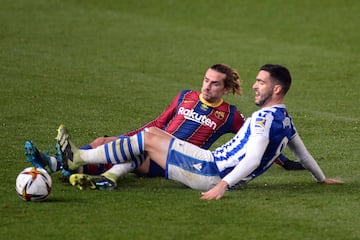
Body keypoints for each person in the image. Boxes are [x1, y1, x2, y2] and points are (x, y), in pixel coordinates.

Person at [58, 64, 342, 200]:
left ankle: (79, 158)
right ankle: (94, 167)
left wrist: (222, 185)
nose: (255, 86)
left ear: (276, 89)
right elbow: (302, 153)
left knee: (149, 138)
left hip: (210, 170)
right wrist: (321, 178)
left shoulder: (262, 119)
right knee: (155, 137)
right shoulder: (284, 119)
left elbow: (254, 158)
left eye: (260, 82)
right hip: (210, 164)